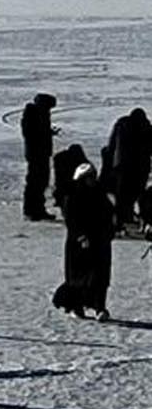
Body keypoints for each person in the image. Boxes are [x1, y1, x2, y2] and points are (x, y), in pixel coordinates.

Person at [57, 161, 115, 320]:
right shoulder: (72, 196)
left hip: (100, 241)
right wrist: (81, 237)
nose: (92, 181)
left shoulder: (99, 194)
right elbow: (71, 220)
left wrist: (111, 230)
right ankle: (76, 307)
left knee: (100, 276)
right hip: (79, 244)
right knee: (78, 278)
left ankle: (99, 307)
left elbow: (109, 213)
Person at [105, 108, 150, 227]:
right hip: (139, 167)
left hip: (121, 166)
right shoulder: (145, 126)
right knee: (135, 192)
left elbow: (112, 145)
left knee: (122, 194)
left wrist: (109, 162)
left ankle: (120, 219)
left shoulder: (121, 125)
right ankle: (127, 215)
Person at [21, 93, 59, 220]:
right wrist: (45, 133)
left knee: (40, 182)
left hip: (40, 153)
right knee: (36, 182)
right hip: (36, 154)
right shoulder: (34, 114)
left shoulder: (39, 114)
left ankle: (36, 209)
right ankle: (32, 210)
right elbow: (32, 133)